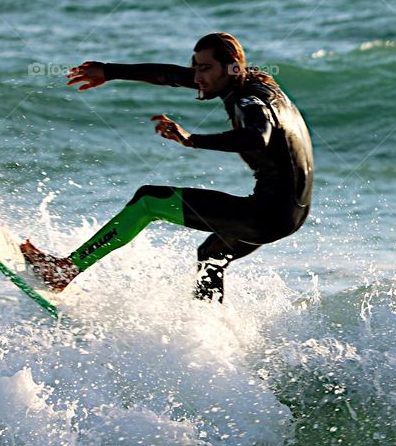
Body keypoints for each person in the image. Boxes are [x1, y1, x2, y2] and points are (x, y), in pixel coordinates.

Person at [21, 32, 313, 302]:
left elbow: (256, 137)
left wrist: (192, 139)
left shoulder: (249, 102)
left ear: (232, 66)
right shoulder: (251, 84)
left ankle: (64, 271)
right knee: (211, 254)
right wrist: (109, 71)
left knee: (149, 201)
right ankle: (207, 333)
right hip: (292, 214)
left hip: (266, 214)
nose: (197, 77)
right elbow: (170, 75)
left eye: (205, 68)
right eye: (196, 67)